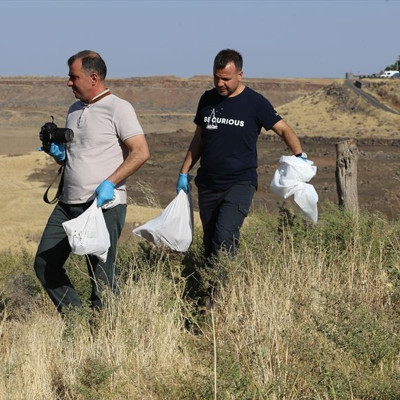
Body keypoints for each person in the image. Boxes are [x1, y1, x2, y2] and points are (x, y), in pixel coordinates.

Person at [34, 50, 150, 313]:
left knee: (101, 275)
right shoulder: (74, 110)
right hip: (67, 203)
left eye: (73, 77)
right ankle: (78, 318)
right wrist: (60, 156)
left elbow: (141, 152)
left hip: (103, 206)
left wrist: (110, 182)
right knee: (44, 263)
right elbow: (78, 156)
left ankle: (107, 332)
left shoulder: (119, 108)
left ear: (93, 77)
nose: (69, 83)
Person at [177, 48, 307, 258]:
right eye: (216, 77)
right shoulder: (207, 99)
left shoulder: (255, 103)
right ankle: (211, 289)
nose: (220, 84)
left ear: (240, 74)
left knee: (224, 237)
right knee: (209, 243)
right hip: (208, 184)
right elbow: (198, 139)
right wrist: (183, 172)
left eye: (226, 79)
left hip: (239, 184)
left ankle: (225, 289)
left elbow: (283, 129)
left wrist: (300, 156)